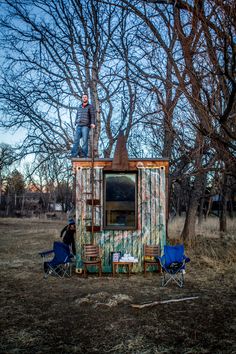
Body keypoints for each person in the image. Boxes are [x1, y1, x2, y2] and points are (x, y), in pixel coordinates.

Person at [71, 93, 96, 158]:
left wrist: (93, 123)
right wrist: (75, 121)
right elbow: (77, 115)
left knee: (85, 141)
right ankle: (74, 155)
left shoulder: (90, 106)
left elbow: (92, 116)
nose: (84, 98)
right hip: (79, 125)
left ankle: (84, 156)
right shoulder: (79, 107)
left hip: (85, 126)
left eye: (85, 97)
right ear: (82, 98)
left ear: (87, 98)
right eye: (83, 97)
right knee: (76, 140)